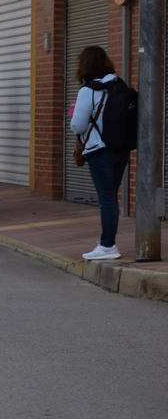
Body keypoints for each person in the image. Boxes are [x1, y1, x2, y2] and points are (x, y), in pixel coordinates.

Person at [70, 45, 128, 261]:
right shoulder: (118, 85)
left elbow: (77, 126)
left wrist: (75, 113)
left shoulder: (87, 91)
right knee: (111, 196)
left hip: (98, 150)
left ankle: (107, 245)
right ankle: (107, 241)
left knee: (107, 199)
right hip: (120, 149)